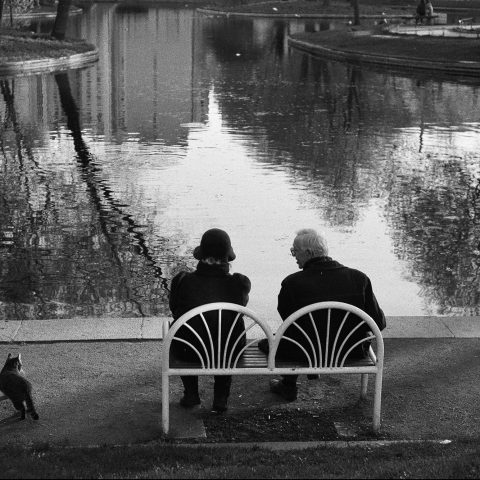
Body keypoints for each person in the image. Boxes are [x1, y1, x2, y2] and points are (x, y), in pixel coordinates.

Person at [260, 228, 386, 401]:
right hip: (350, 351)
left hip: (304, 352)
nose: (294, 256)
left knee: (270, 342)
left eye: (294, 251)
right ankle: (300, 378)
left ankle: (288, 385)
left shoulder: (292, 283)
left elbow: (289, 322)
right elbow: (378, 323)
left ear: (309, 253)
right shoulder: (359, 279)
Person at [169, 228, 251, 412]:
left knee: (183, 331)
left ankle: (191, 394)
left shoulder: (182, 280)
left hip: (188, 350)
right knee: (226, 333)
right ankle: (220, 398)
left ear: (202, 256)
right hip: (229, 350)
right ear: (227, 258)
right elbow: (241, 310)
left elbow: (175, 311)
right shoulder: (239, 283)